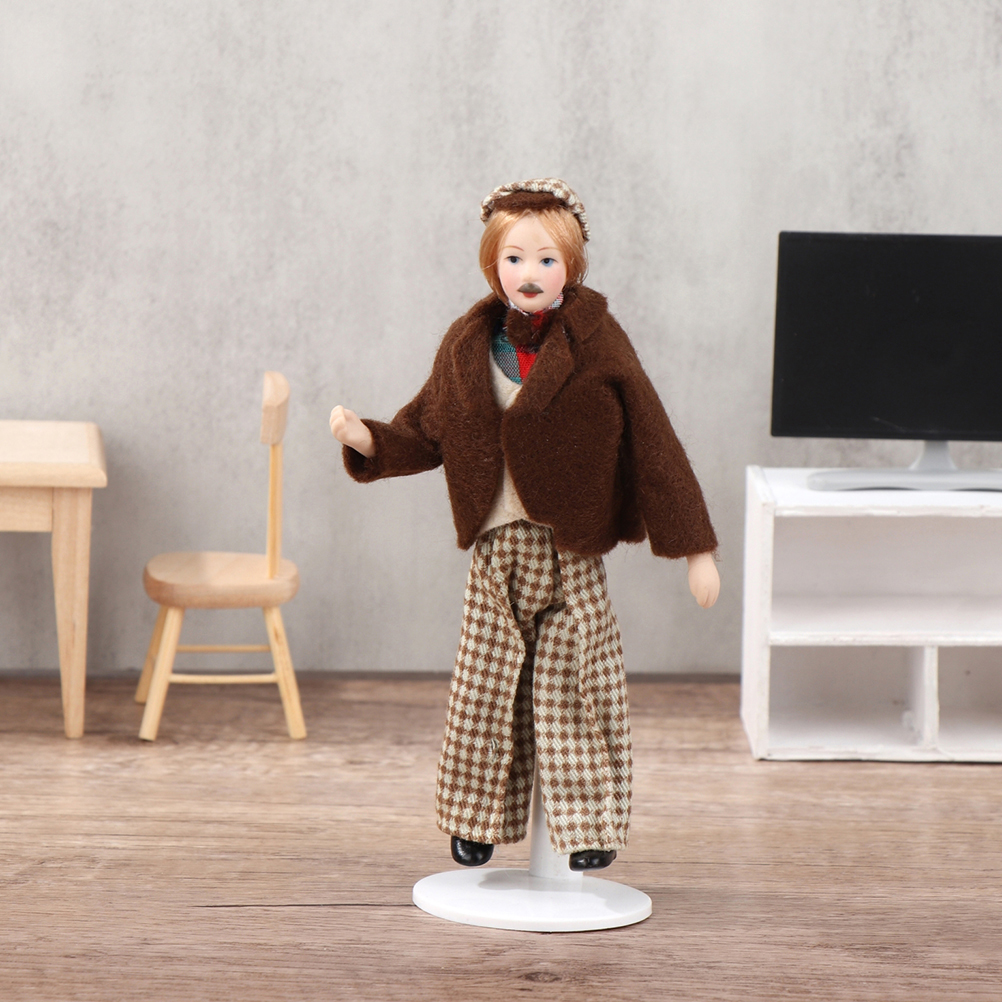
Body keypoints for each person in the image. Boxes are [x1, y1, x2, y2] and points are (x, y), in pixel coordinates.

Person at [330, 178, 719, 871]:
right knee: (483, 686)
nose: (529, 272)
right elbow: (427, 428)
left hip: (572, 549)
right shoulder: (468, 344)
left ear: (571, 265)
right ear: (493, 265)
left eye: (546, 259)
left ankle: (590, 825)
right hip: (497, 549)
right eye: (514, 258)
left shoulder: (598, 344)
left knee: (578, 684)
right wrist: (370, 440)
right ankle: (475, 819)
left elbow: (652, 442)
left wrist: (695, 548)